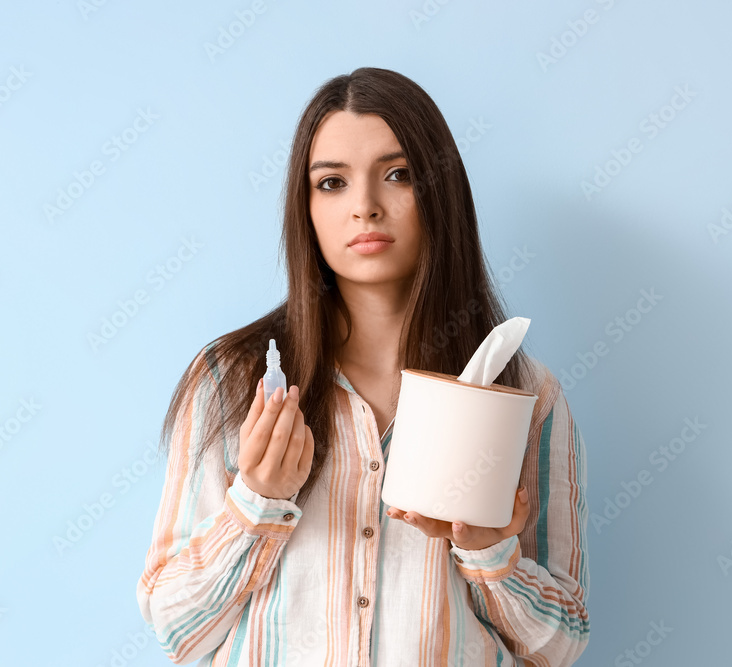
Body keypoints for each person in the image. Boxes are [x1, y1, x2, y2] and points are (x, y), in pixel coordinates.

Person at [135, 66, 590, 666]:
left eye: (398, 175)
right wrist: (256, 502)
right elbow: (178, 630)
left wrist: (489, 553)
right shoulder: (232, 379)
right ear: (305, 207)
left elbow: (559, 645)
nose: (365, 208)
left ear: (441, 192)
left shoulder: (524, 395)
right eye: (332, 183)